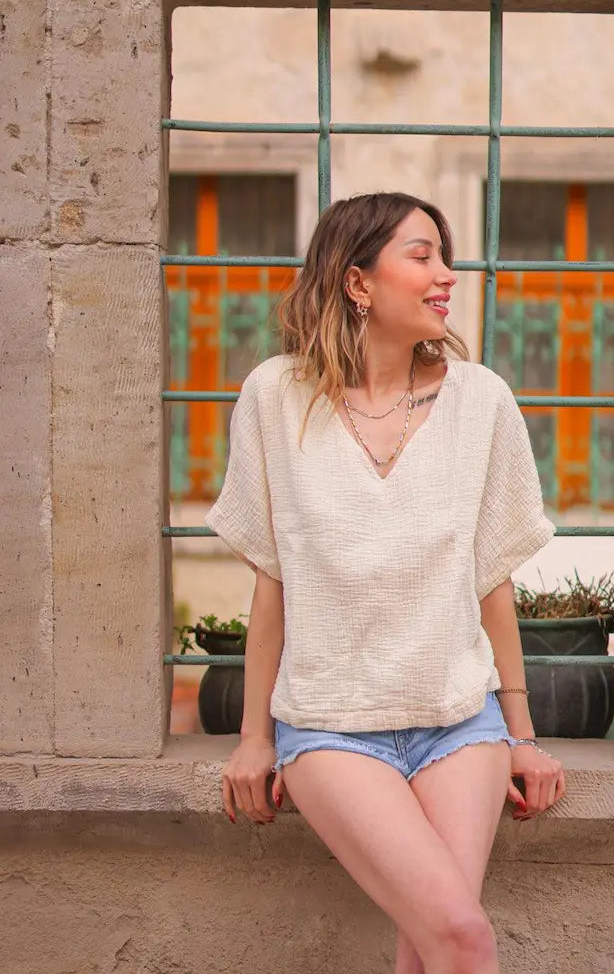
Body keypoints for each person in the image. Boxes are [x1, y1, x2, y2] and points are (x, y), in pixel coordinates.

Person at [206, 192, 566, 974]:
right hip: (332, 725)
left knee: (432, 943)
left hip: (458, 723)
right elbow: (273, 579)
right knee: (462, 937)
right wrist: (254, 736)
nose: (448, 275)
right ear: (357, 281)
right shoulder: (275, 398)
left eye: (445, 255)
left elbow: (490, 580)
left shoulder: (482, 401)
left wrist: (523, 736)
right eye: (423, 255)